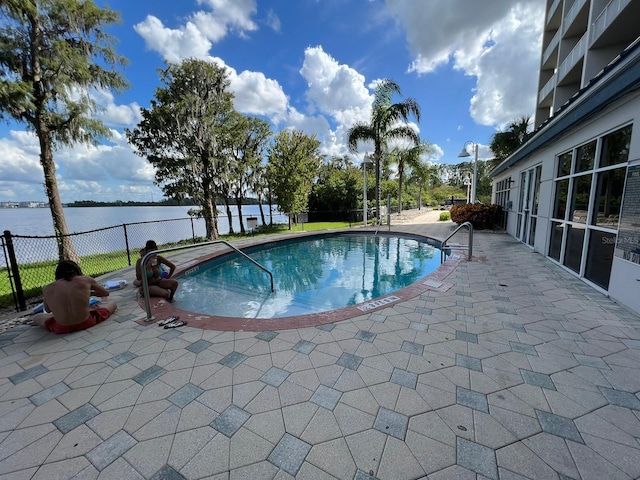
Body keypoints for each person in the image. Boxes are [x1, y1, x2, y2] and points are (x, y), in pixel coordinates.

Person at [32, 260, 117, 334]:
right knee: (112, 304)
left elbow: (48, 310)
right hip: (86, 322)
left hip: (61, 328)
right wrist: (90, 293)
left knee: (37, 317)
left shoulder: (48, 288)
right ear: (77, 270)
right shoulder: (86, 280)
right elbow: (105, 293)